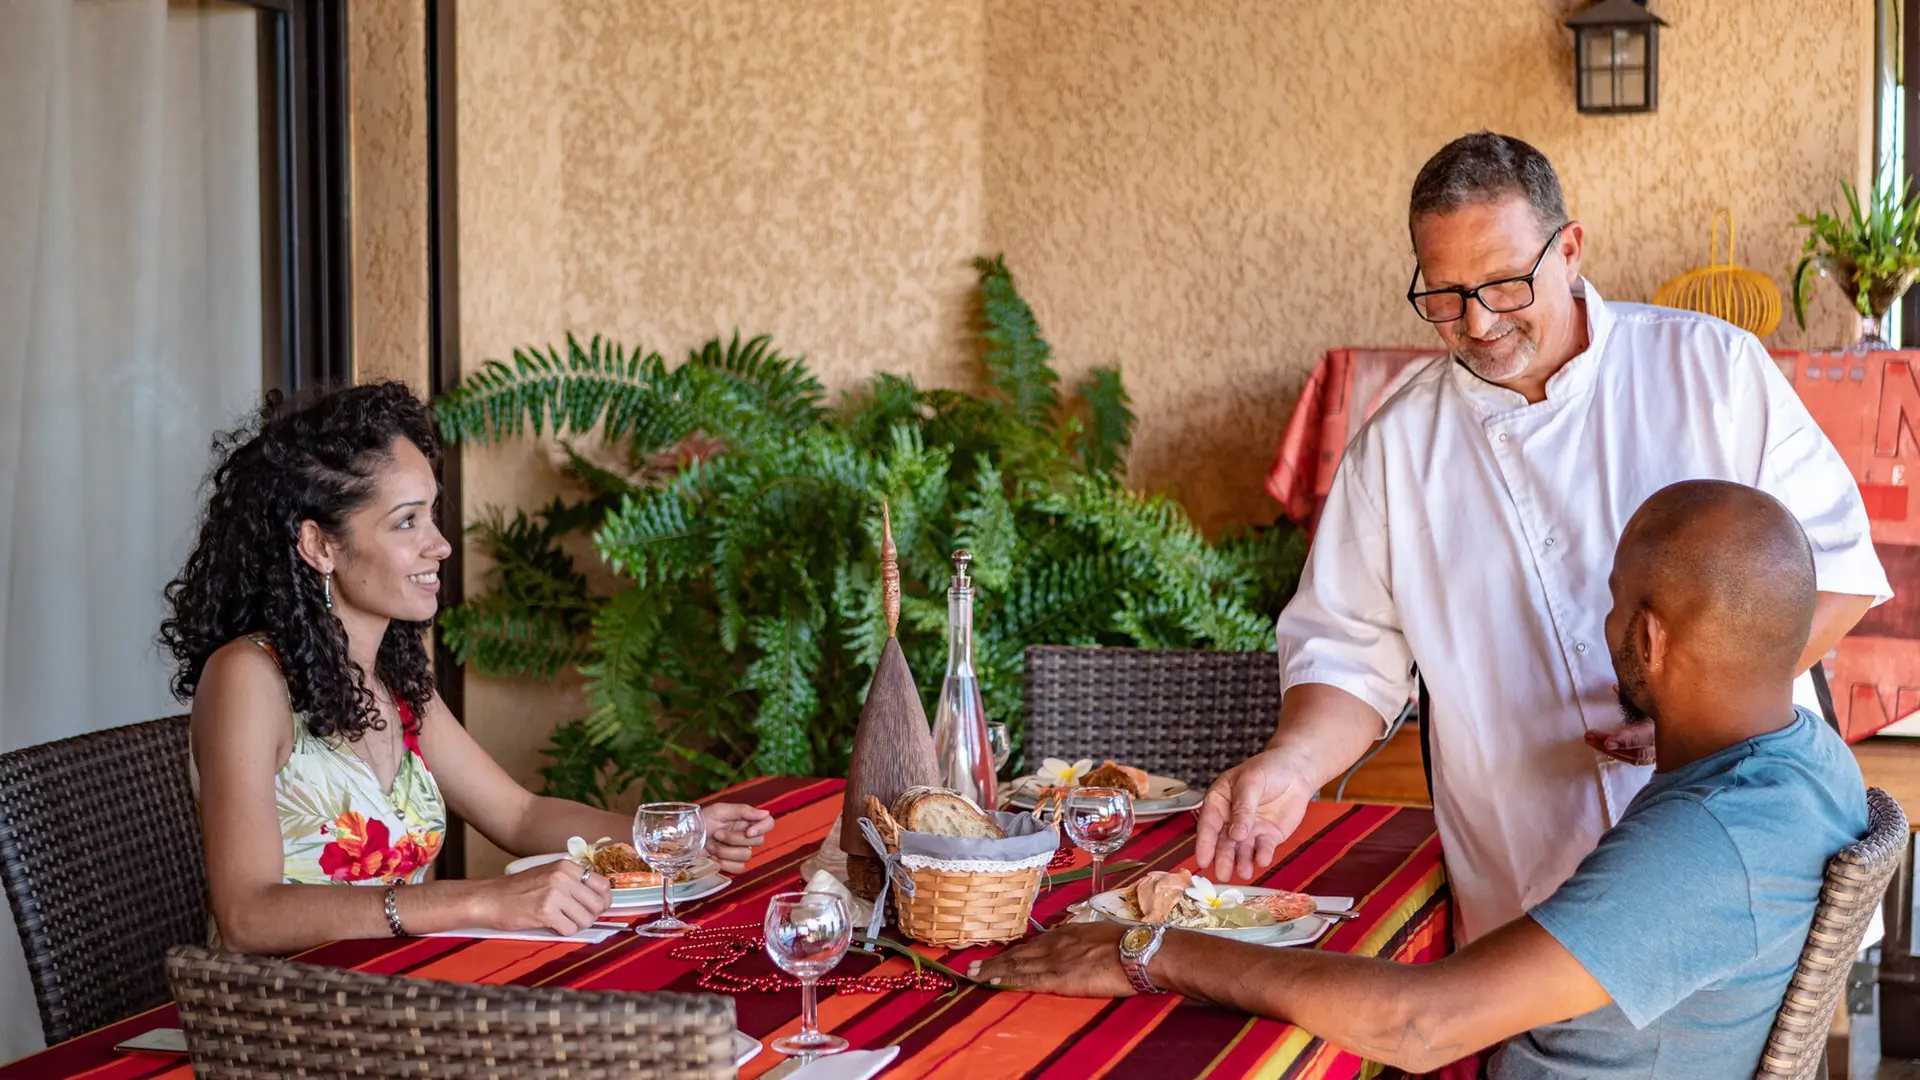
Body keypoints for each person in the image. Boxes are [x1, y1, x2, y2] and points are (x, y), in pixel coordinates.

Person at [1196, 131, 1889, 942]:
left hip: (1738, 843)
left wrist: (1701, 713)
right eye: (1445, 295)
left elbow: (1838, 571)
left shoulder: (1711, 369)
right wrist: (1297, 762)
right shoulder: (1395, 447)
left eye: (1503, 283)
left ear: (1569, 249)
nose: (1478, 321)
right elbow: (1347, 652)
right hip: (1528, 873)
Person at [978, 480, 1870, 1078]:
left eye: (1610, 600)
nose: (1600, 622)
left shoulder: (1709, 842)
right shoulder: (1809, 762)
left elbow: (1421, 1026)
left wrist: (1151, 953)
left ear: (1649, 639)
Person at [160, 382, 774, 953]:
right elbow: (247, 915)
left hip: (402, 994)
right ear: (319, 544)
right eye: (406, 521)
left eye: (432, 512)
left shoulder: (394, 682)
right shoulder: (248, 677)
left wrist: (669, 833)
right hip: (282, 1023)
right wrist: (477, 899)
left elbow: (520, 814)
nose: (440, 543)